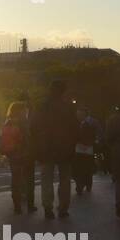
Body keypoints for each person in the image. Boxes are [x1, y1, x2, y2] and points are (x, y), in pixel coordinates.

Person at [30, 79, 79, 219]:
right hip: (65, 148)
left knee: (46, 179)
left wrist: (37, 144)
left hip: (46, 148)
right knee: (65, 179)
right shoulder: (68, 107)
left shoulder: (41, 105)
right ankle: (63, 207)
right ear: (63, 91)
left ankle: (47, 207)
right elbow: (75, 128)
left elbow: (33, 126)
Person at [0, 100, 32, 213]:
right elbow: (27, 138)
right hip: (22, 153)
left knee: (15, 179)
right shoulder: (22, 122)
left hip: (11, 153)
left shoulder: (7, 122)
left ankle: (16, 204)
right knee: (26, 178)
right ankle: (28, 202)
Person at [73, 108, 99, 195]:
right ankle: (80, 185)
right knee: (79, 169)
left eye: (80, 115)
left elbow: (95, 135)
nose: (78, 116)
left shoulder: (90, 124)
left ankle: (87, 184)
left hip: (87, 150)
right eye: (78, 115)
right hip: (79, 150)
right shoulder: (76, 124)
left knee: (87, 168)